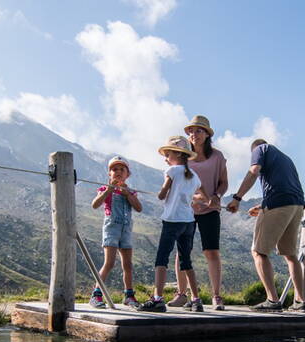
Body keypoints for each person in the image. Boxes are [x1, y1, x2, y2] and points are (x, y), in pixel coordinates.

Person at [226, 139, 305, 312]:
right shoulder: (285, 158)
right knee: (290, 255)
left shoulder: (260, 149)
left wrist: (237, 198)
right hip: (296, 205)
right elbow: (284, 185)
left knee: (258, 252)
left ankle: (272, 300)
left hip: (278, 204)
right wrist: (263, 206)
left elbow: (254, 171)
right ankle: (300, 302)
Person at [139, 136, 211, 312]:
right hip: (188, 222)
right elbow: (205, 197)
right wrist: (190, 198)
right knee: (186, 261)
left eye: (168, 154)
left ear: (177, 154)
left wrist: (164, 192)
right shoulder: (194, 176)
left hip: (172, 220)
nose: (165, 158)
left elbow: (162, 194)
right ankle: (196, 300)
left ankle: (157, 299)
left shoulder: (172, 171)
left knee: (161, 258)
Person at [168, 115, 229, 311]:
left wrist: (217, 195)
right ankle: (182, 294)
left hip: (210, 210)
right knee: (182, 251)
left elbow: (223, 182)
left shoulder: (218, 156)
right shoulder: (183, 156)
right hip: (186, 210)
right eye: (191, 131)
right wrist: (191, 199)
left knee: (211, 251)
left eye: (199, 130)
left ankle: (216, 296)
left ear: (207, 134)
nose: (194, 134)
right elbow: (175, 181)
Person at [89, 156, 143, 309]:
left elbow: (138, 208)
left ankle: (129, 295)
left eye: (121, 169)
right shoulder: (105, 190)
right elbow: (95, 204)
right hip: (112, 228)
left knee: (128, 264)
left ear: (128, 174)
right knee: (110, 262)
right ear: (109, 174)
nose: (118, 172)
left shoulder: (130, 192)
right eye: (114, 169)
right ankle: (96, 294)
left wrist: (127, 194)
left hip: (126, 230)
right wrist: (108, 190)